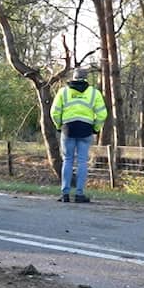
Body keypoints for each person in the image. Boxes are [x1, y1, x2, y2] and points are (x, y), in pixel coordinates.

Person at [50, 66, 107, 203]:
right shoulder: (94, 93)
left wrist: (59, 126)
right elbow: (102, 114)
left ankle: (65, 193)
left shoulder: (63, 92)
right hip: (86, 129)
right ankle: (80, 194)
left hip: (68, 129)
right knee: (82, 162)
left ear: (73, 77)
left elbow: (54, 112)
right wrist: (96, 128)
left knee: (68, 160)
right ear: (86, 78)